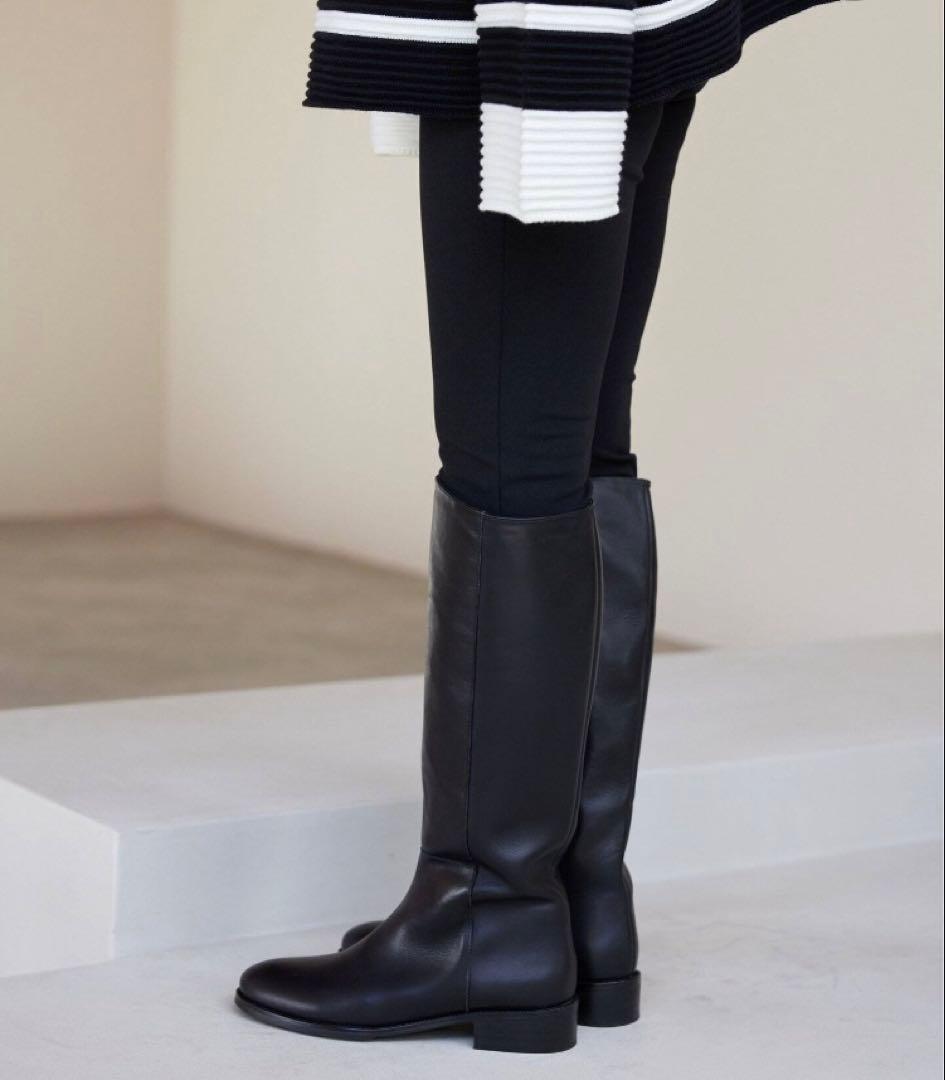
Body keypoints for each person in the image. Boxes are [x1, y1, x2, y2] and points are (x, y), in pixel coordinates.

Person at [236, 0, 853, 1054]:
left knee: (514, 443)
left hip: (541, 23)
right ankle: (573, 892)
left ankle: (491, 913)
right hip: (613, 22)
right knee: (570, 430)